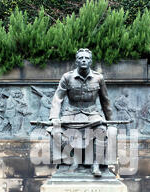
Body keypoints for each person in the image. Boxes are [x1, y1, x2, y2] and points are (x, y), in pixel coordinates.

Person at [49, 48, 114, 177]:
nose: (84, 60)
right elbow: (58, 98)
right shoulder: (67, 77)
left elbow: (105, 100)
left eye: (86, 58)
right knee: (55, 132)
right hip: (71, 114)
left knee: (101, 131)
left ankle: (96, 164)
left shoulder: (98, 78)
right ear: (76, 61)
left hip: (92, 114)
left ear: (91, 61)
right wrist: (54, 117)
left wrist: (110, 120)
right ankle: (73, 160)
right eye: (80, 58)